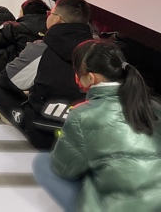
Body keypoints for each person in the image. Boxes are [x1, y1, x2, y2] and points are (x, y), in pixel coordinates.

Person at [33, 40, 161, 211]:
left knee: (43, 162)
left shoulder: (82, 115)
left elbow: (64, 168)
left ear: (91, 78)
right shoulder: (154, 105)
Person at [0, 0, 93, 149]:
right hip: (85, 134)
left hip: (45, 133)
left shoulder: (41, 48)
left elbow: (6, 80)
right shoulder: (99, 51)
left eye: (50, 13)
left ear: (57, 19)